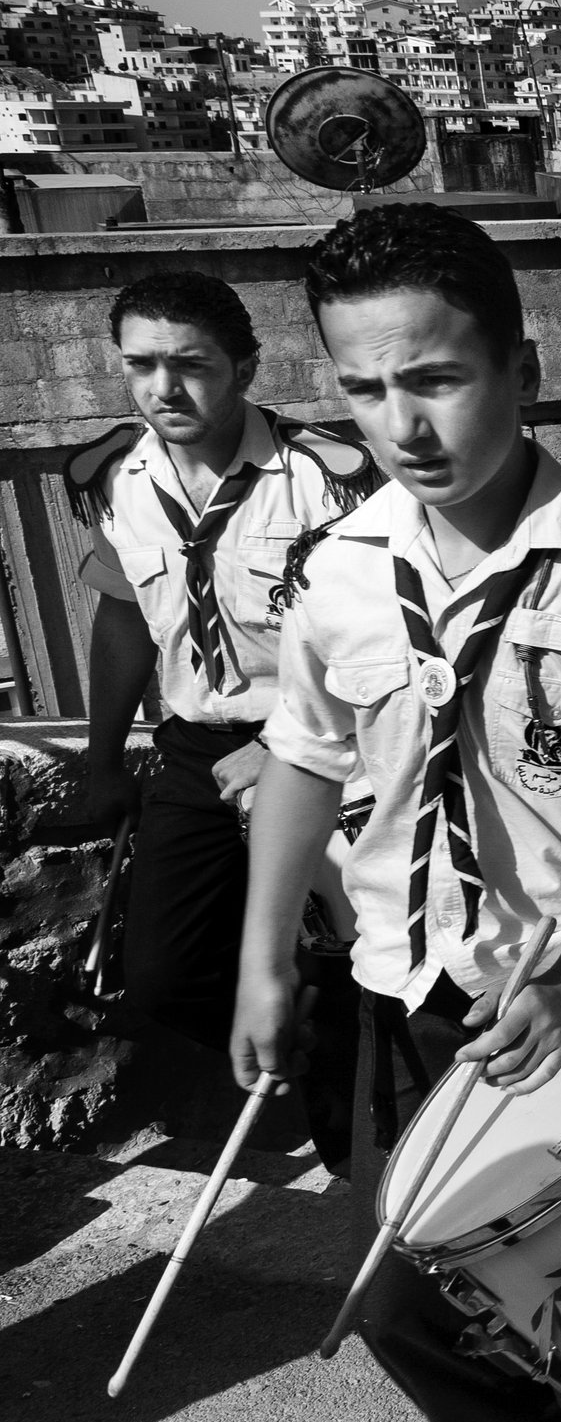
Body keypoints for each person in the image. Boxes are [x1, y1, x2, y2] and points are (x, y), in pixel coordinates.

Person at [230, 204, 561, 1422]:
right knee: (410, 1306)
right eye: (365, 389)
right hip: (414, 994)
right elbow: (303, 749)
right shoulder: (336, 568)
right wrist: (264, 959)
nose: (403, 425)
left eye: (438, 379)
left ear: (524, 371)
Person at [69, 270, 381, 1170]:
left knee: (342, 955)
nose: (164, 389)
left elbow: (373, 642)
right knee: (164, 974)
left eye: (190, 364)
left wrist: (279, 744)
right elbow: (124, 616)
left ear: (245, 366)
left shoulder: (326, 481)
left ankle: (357, 1155)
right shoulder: (121, 479)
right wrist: (100, 759)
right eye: (141, 365)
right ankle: (306, 1048)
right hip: (193, 745)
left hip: (320, 744)